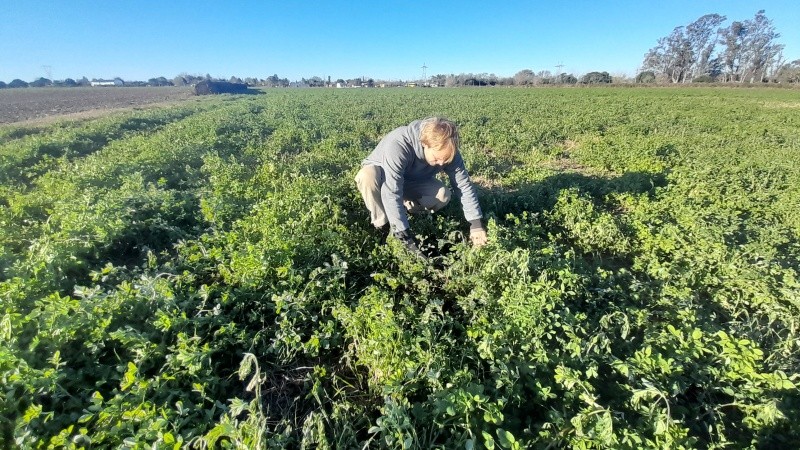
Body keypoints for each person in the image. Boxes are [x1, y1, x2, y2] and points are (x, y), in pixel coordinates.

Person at [354, 117, 488, 255]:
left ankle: (410, 211)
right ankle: (383, 225)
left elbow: (463, 185)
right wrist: (405, 238)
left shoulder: (449, 151)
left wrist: (476, 225)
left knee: (443, 195)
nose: (442, 163)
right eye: (437, 158)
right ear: (425, 144)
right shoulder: (398, 145)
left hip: (411, 181)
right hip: (384, 179)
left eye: (445, 159)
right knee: (367, 176)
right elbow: (392, 191)